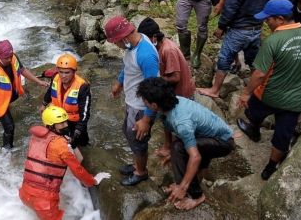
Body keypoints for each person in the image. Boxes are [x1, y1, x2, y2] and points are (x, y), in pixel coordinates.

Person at [236, 0, 301, 180]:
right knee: (283, 135)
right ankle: (270, 168)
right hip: (295, 100)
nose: (266, 22)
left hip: (270, 95)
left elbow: (259, 74)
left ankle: (254, 130)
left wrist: (246, 93)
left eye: (268, 19)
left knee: (253, 108)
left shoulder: (273, 40)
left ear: (280, 19)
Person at [138, 77, 234, 210]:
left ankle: (196, 196)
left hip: (223, 142)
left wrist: (182, 188)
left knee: (178, 148)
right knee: (176, 150)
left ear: (154, 105)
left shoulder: (181, 121)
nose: (144, 103)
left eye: (145, 101)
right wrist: (168, 149)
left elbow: (195, 156)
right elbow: (168, 125)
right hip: (207, 136)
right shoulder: (170, 103)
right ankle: (190, 182)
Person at [198, 0, 273, 99]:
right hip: (256, 28)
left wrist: (221, 27)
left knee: (225, 57)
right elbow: (268, 2)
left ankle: (215, 89)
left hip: (239, 29)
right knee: (254, 60)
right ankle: (257, 90)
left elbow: (230, 9)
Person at [19, 105, 110, 220]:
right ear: (51, 126)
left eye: (65, 122)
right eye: (61, 123)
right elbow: (77, 168)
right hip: (45, 203)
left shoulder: (34, 138)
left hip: (24, 194)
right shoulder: (61, 145)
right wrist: (93, 181)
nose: (66, 125)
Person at [104, 16, 159, 186]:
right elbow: (127, 66)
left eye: (116, 42)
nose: (115, 45)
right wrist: (119, 82)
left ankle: (141, 172)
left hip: (142, 106)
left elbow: (154, 89)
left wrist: (147, 119)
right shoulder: (133, 44)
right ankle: (137, 164)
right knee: (128, 132)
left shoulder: (146, 55)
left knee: (137, 139)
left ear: (125, 38)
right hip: (132, 101)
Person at [0, 40, 49, 149]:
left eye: (10, 56)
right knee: (10, 127)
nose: (10, 59)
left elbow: (22, 70)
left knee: (25, 95)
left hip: (9, 94)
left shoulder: (13, 57)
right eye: (6, 58)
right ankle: (7, 150)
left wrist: (38, 82)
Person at [41, 53, 91, 148]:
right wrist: (44, 104)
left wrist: (76, 133)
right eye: (61, 72)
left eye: (67, 72)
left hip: (75, 121)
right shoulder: (55, 78)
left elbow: (84, 114)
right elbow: (50, 91)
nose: (63, 76)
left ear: (74, 72)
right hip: (59, 119)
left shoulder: (82, 87)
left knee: (82, 144)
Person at [137, 17, 195, 98]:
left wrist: (155, 79)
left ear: (154, 37)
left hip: (182, 95)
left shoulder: (168, 50)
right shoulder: (157, 47)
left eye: (146, 40)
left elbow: (175, 78)